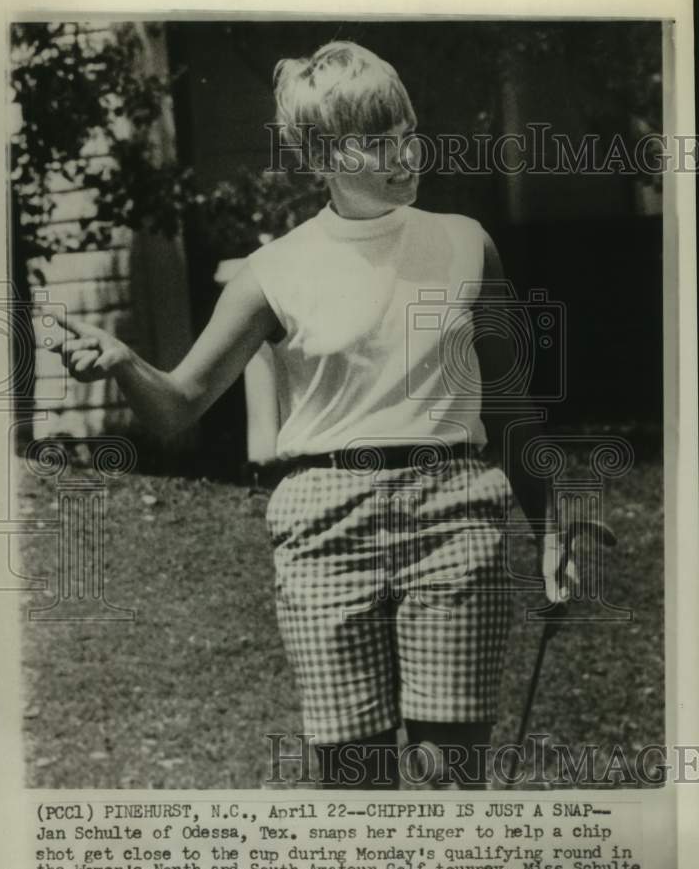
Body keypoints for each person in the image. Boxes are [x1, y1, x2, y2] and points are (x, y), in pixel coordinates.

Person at [51, 41, 570, 790]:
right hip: (324, 528)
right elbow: (181, 405)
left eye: (407, 131)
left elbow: (517, 406)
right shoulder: (272, 273)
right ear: (320, 156)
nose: (402, 153)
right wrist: (125, 361)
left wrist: (559, 527)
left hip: (455, 515)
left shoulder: (466, 243)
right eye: (374, 140)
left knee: (450, 779)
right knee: (353, 784)